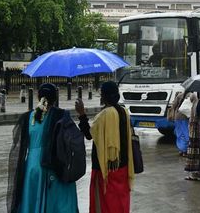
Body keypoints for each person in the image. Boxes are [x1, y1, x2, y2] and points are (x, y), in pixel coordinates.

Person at [7, 83, 79, 213]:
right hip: (51, 164)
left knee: (32, 202)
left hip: (31, 167)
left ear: (37, 97)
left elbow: (20, 147)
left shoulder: (27, 117)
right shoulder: (61, 116)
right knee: (55, 202)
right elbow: (75, 141)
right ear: (56, 98)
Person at [75, 81, 135, 213]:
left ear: (104, 96)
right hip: (123, 166)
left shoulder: (104, 115)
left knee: (105, 204)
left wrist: (81, 114)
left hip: (105, 169)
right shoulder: (124, 111)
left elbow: (89, 135)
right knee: (120, 202)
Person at [171, 92, 193, 156]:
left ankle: (181, 150)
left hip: (177, 116)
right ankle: (185, 150)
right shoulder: (192, 96)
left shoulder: (180, 95)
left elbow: (174, 105)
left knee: (179, 134)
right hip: (187, 117)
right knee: (186, 133)